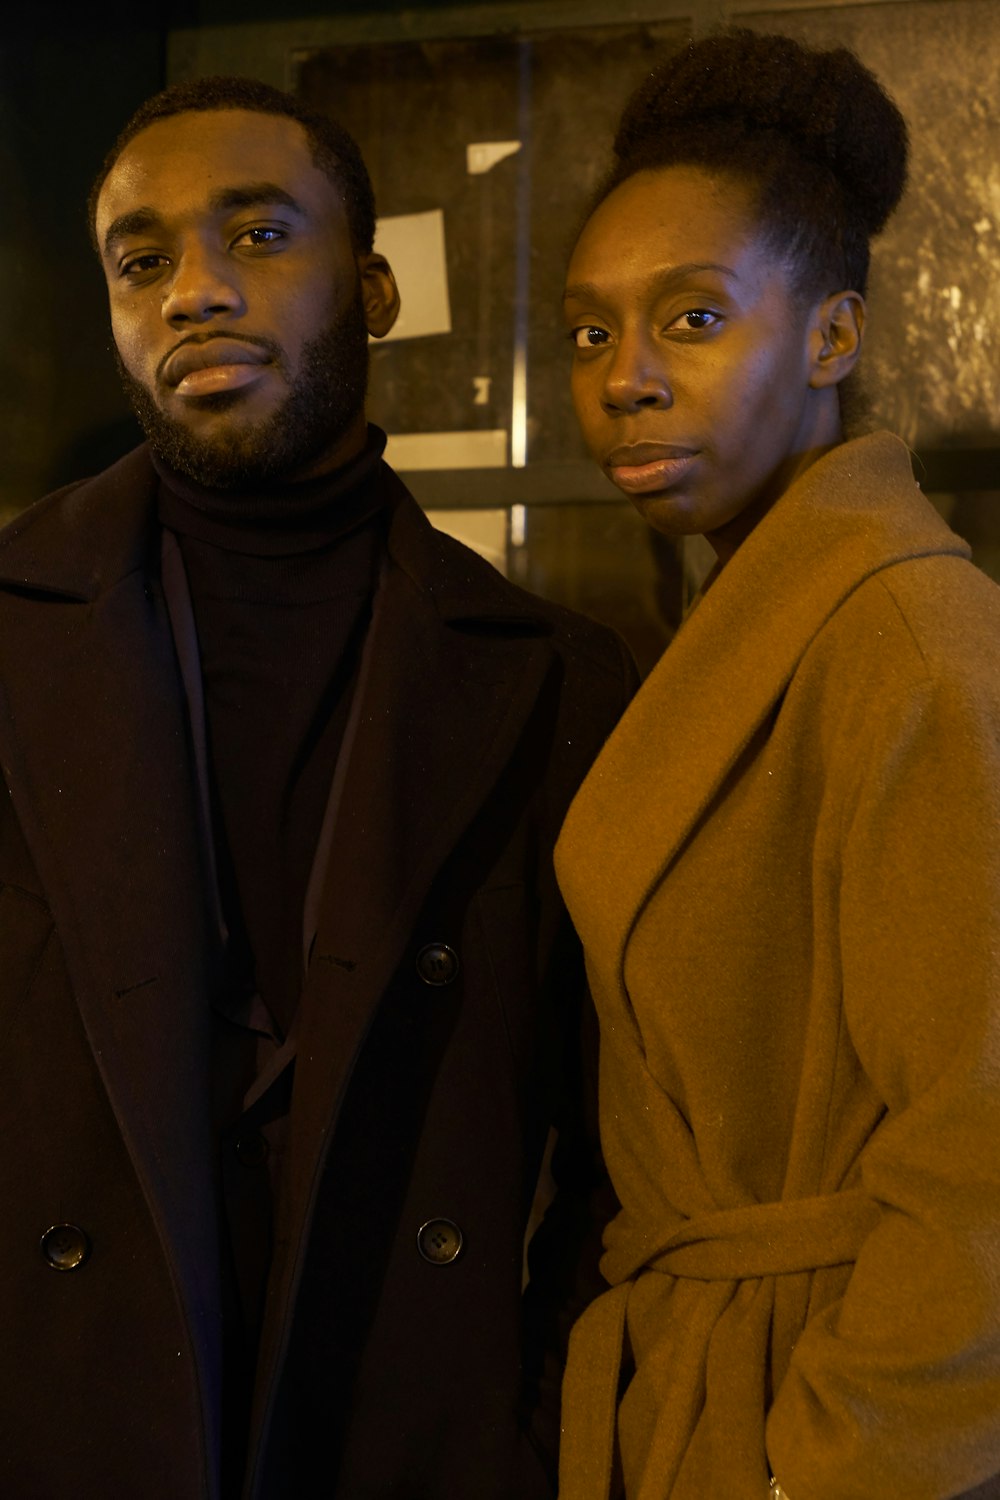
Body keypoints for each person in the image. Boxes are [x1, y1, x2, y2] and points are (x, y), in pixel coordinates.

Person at [0, 76, 635, 1499]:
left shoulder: (550, 679)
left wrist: (521, 1440)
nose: (194, 294)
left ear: (375, 287)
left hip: (409, 1442)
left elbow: (622, 1164)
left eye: (260, 235)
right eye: (142, 259)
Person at [553, 28, 1000, 1500]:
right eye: (589, 332)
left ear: (833, 336)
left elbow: (985, 1146)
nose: (625, 380)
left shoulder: (913, 633)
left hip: (823, 1417)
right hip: (702, 1381)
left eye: (691, 320)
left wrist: (824, 1473)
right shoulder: (747, 618)